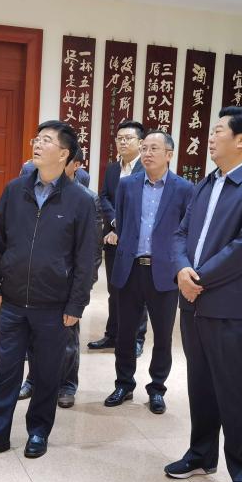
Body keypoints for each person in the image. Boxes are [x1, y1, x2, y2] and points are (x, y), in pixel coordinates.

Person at [164, 106, 242, 482]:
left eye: (217, 131)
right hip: (193, 301)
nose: (210, 138)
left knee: (237, 390)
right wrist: (181, 268)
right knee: (201, 383)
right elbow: (180, 233)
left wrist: (199, 278)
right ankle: (201, 454)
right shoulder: (207, 182)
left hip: (231, 305)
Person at [0, 121, 97, 462]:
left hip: (54, 306)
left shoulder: (81, 200)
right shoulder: (14, 190)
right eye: (36, 139)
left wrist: (76, 304)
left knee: (46, 373)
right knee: (6, 372)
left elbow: (86, 259)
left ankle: (39, 431)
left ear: (64, 154)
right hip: (13, 302)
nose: (37, 145)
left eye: (46, 141)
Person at [106, 130, 192, 414]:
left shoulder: (183, 188)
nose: (147, 153)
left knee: (163, 336)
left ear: (169, 154)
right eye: (144, 148)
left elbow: (185, 232)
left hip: (164, 272)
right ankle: (123, 384)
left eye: (154, 148)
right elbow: (122, 223)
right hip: (130, 270)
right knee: (125, 333)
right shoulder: (127, 185)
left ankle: (157, 388)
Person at [18, 145, 104, 408]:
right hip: (36, 280)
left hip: (68, 282)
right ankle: (33, 379)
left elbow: (93, 250)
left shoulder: (87, 199)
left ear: (73, 164)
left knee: (67, 338)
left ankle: (67, 384)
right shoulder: (34, 191)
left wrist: (83, 286)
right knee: (33, 334)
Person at [90, 120, 146, 352]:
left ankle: (136, 339)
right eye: (119, 138)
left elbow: (143, 205)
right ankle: (112, 335)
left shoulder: (147, 168)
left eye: (128, 138)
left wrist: (120, 228)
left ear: (140, 143)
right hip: (112, 238)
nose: (122, 142)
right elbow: (104, 197)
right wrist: (114, 223)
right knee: (115, 290)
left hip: (137, 241)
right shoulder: (113, 169)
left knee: (136, 291)